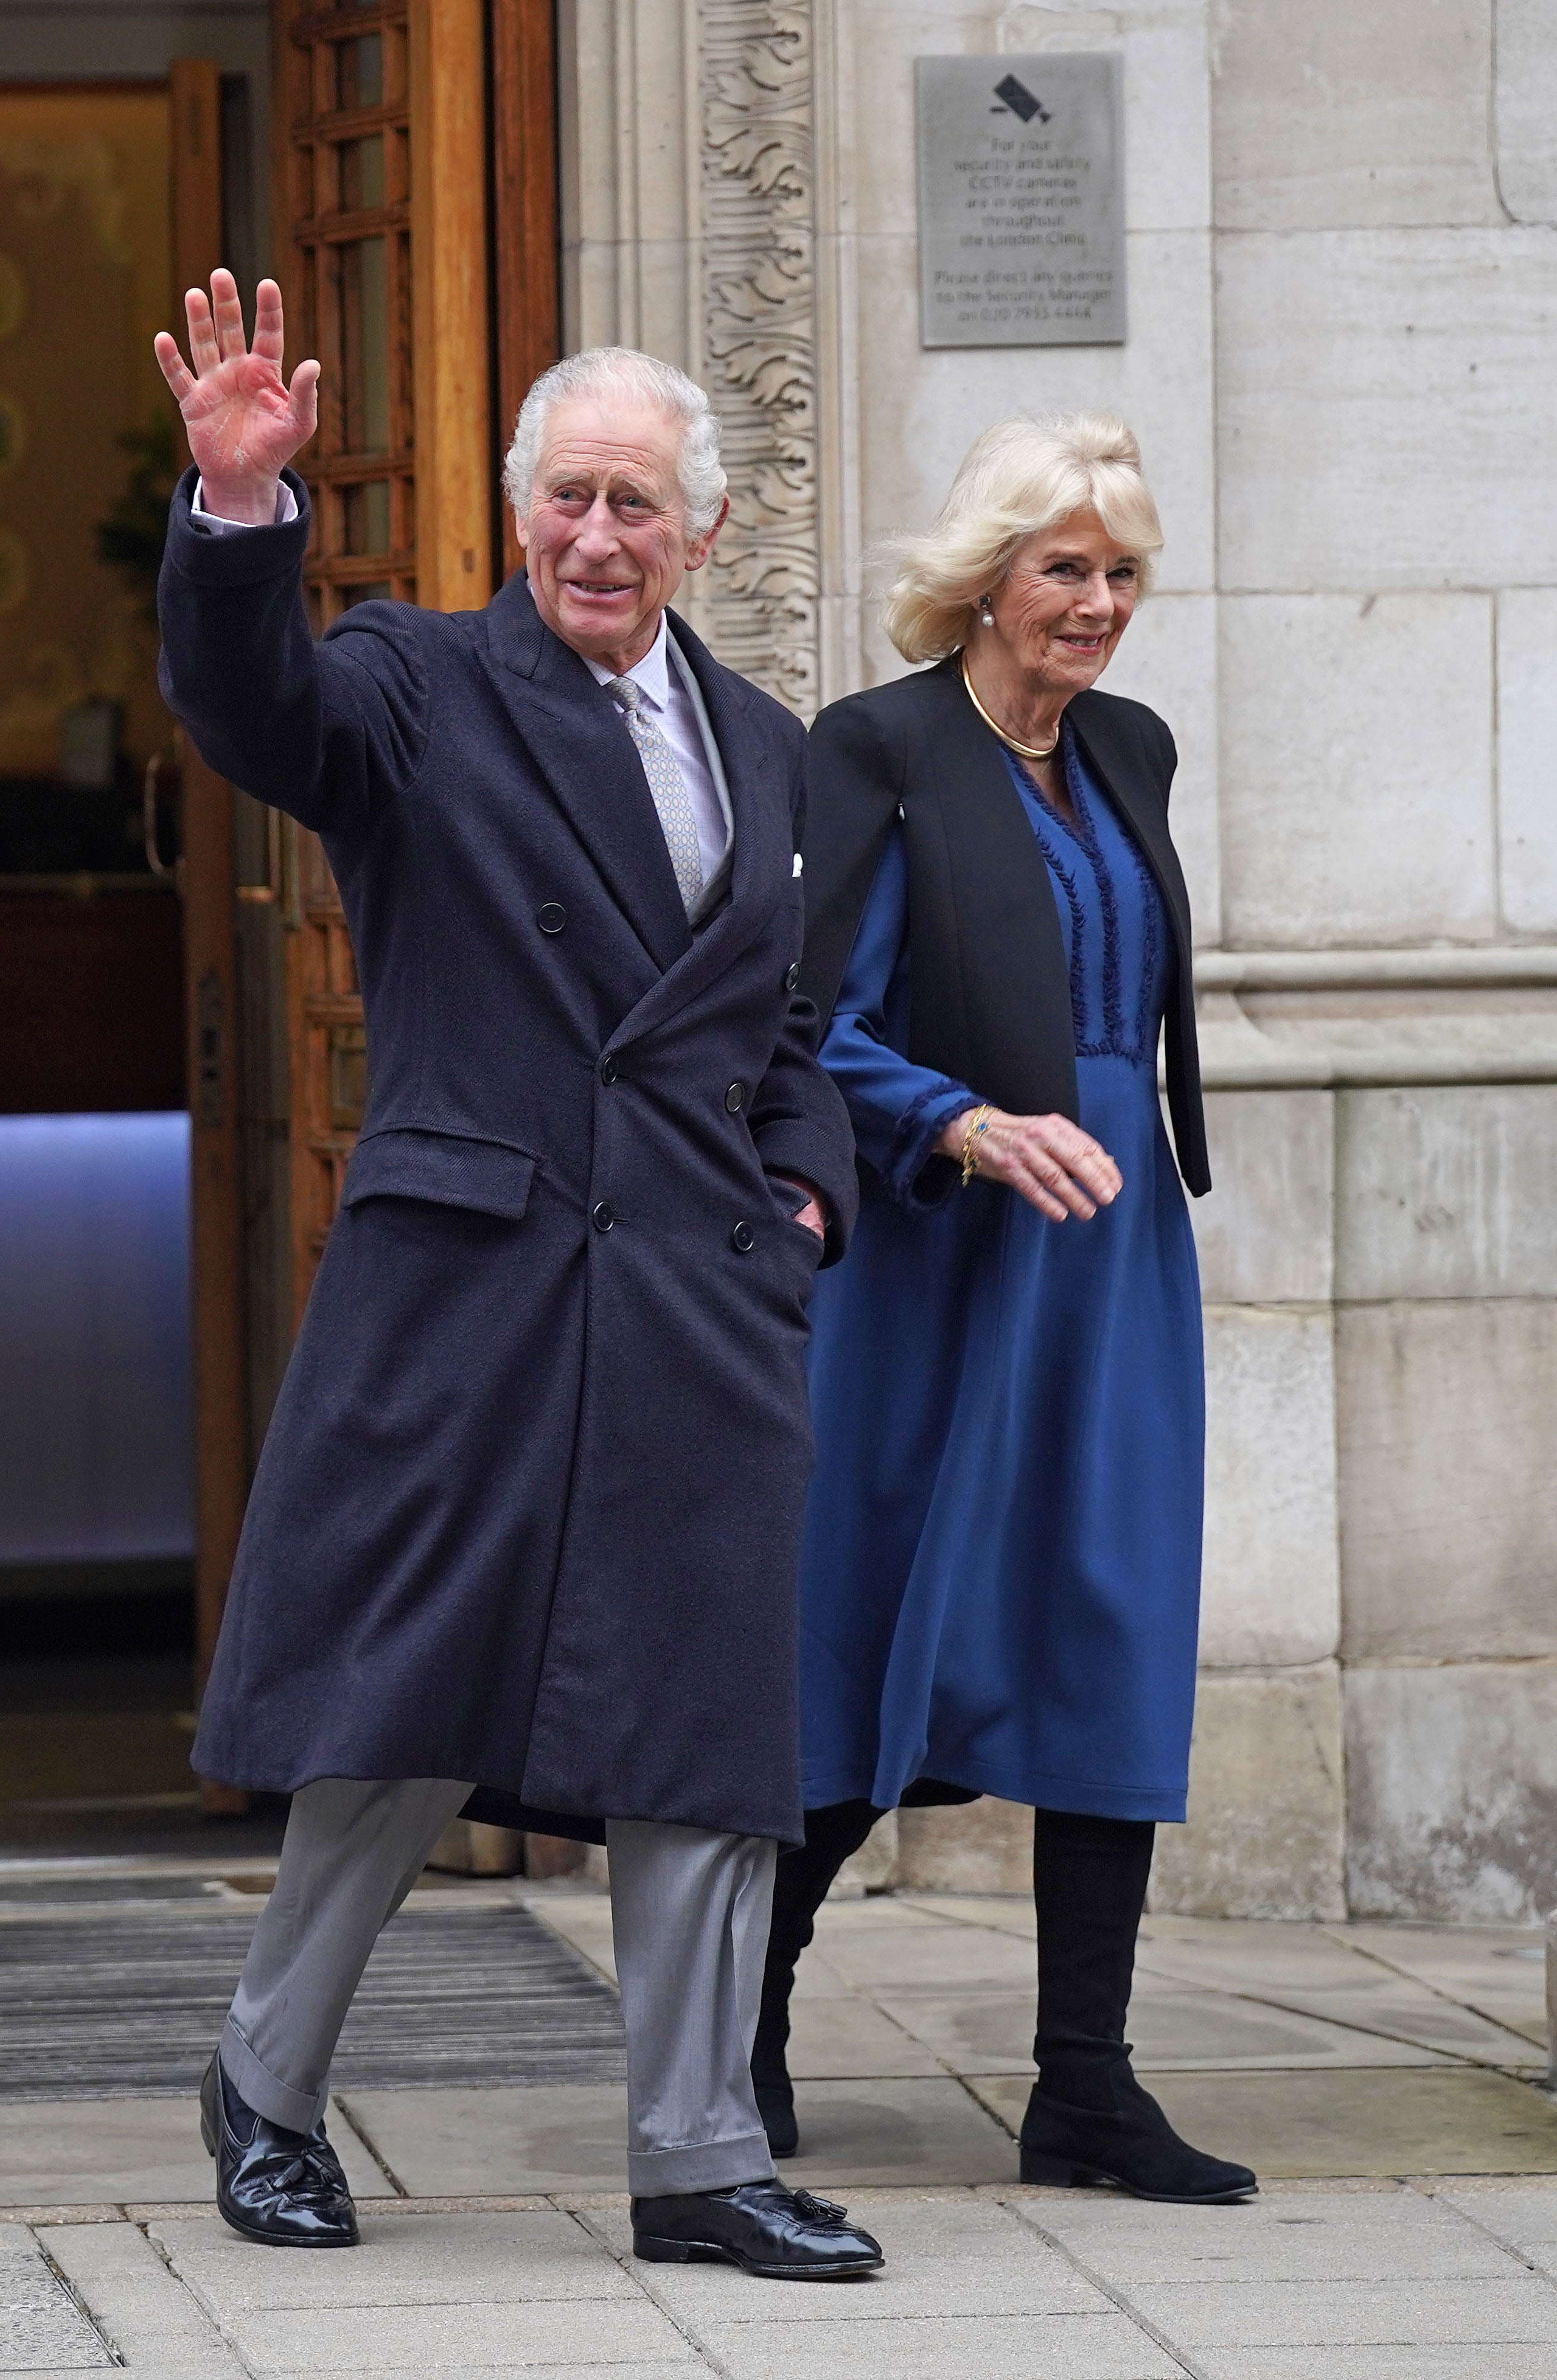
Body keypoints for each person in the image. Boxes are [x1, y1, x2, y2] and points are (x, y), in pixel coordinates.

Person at [152, 271, 883, 2279]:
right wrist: (238, 522)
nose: (594, 536)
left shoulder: (770, 750)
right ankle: (268, 2086)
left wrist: (802, 1206)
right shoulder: (414, 683)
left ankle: (698, 2156)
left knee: (702, 1729)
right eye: (564, 497)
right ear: (515, 510)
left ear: (705, 530)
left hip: (694, 1298)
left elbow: (785, 1039)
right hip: (469, 1284)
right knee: (398, 1715)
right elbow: (253, 711)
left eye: (637, 504)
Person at [753, 414, 1257, 2206]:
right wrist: (960, 1122)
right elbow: (811, 1026)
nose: (1098, 605)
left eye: (1122, 573)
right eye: (1065, 569)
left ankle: (1085, 2086)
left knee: (1108, 1615)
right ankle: (747, 2005)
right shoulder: (875, 750)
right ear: (983, 578)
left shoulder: (1129, 749)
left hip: (1111, 1251)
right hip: (942, 1248)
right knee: (891, 1622)